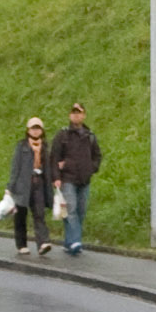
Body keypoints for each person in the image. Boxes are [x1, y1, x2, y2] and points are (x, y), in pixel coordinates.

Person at [49, 100, 102, 258]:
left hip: (84, 180)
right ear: (69, 115)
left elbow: (97, 156)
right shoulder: (62, 135)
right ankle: (75, 242)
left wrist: (91, 168)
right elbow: (54, 157)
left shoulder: (90, 136)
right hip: (67, 179)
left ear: (84, 115)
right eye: (74, 112)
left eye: (79, 112)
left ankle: (68, 242)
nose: (76, 115)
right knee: (71, 209)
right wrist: (56, 177)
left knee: (80, 211)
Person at [6, 114, 54, 259]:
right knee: (20, 214)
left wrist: (51, 182)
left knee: (39, 213)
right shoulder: (22, 146)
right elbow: (15, 167)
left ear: (42, 130)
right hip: (23, 184)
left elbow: (48, 168)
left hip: (39, 183)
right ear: (28, 130)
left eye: (38, 128)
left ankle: (43, 243)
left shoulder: (45, 147)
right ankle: (21, 245)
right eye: (33, 128)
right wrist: (10, 187)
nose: (35, 131)